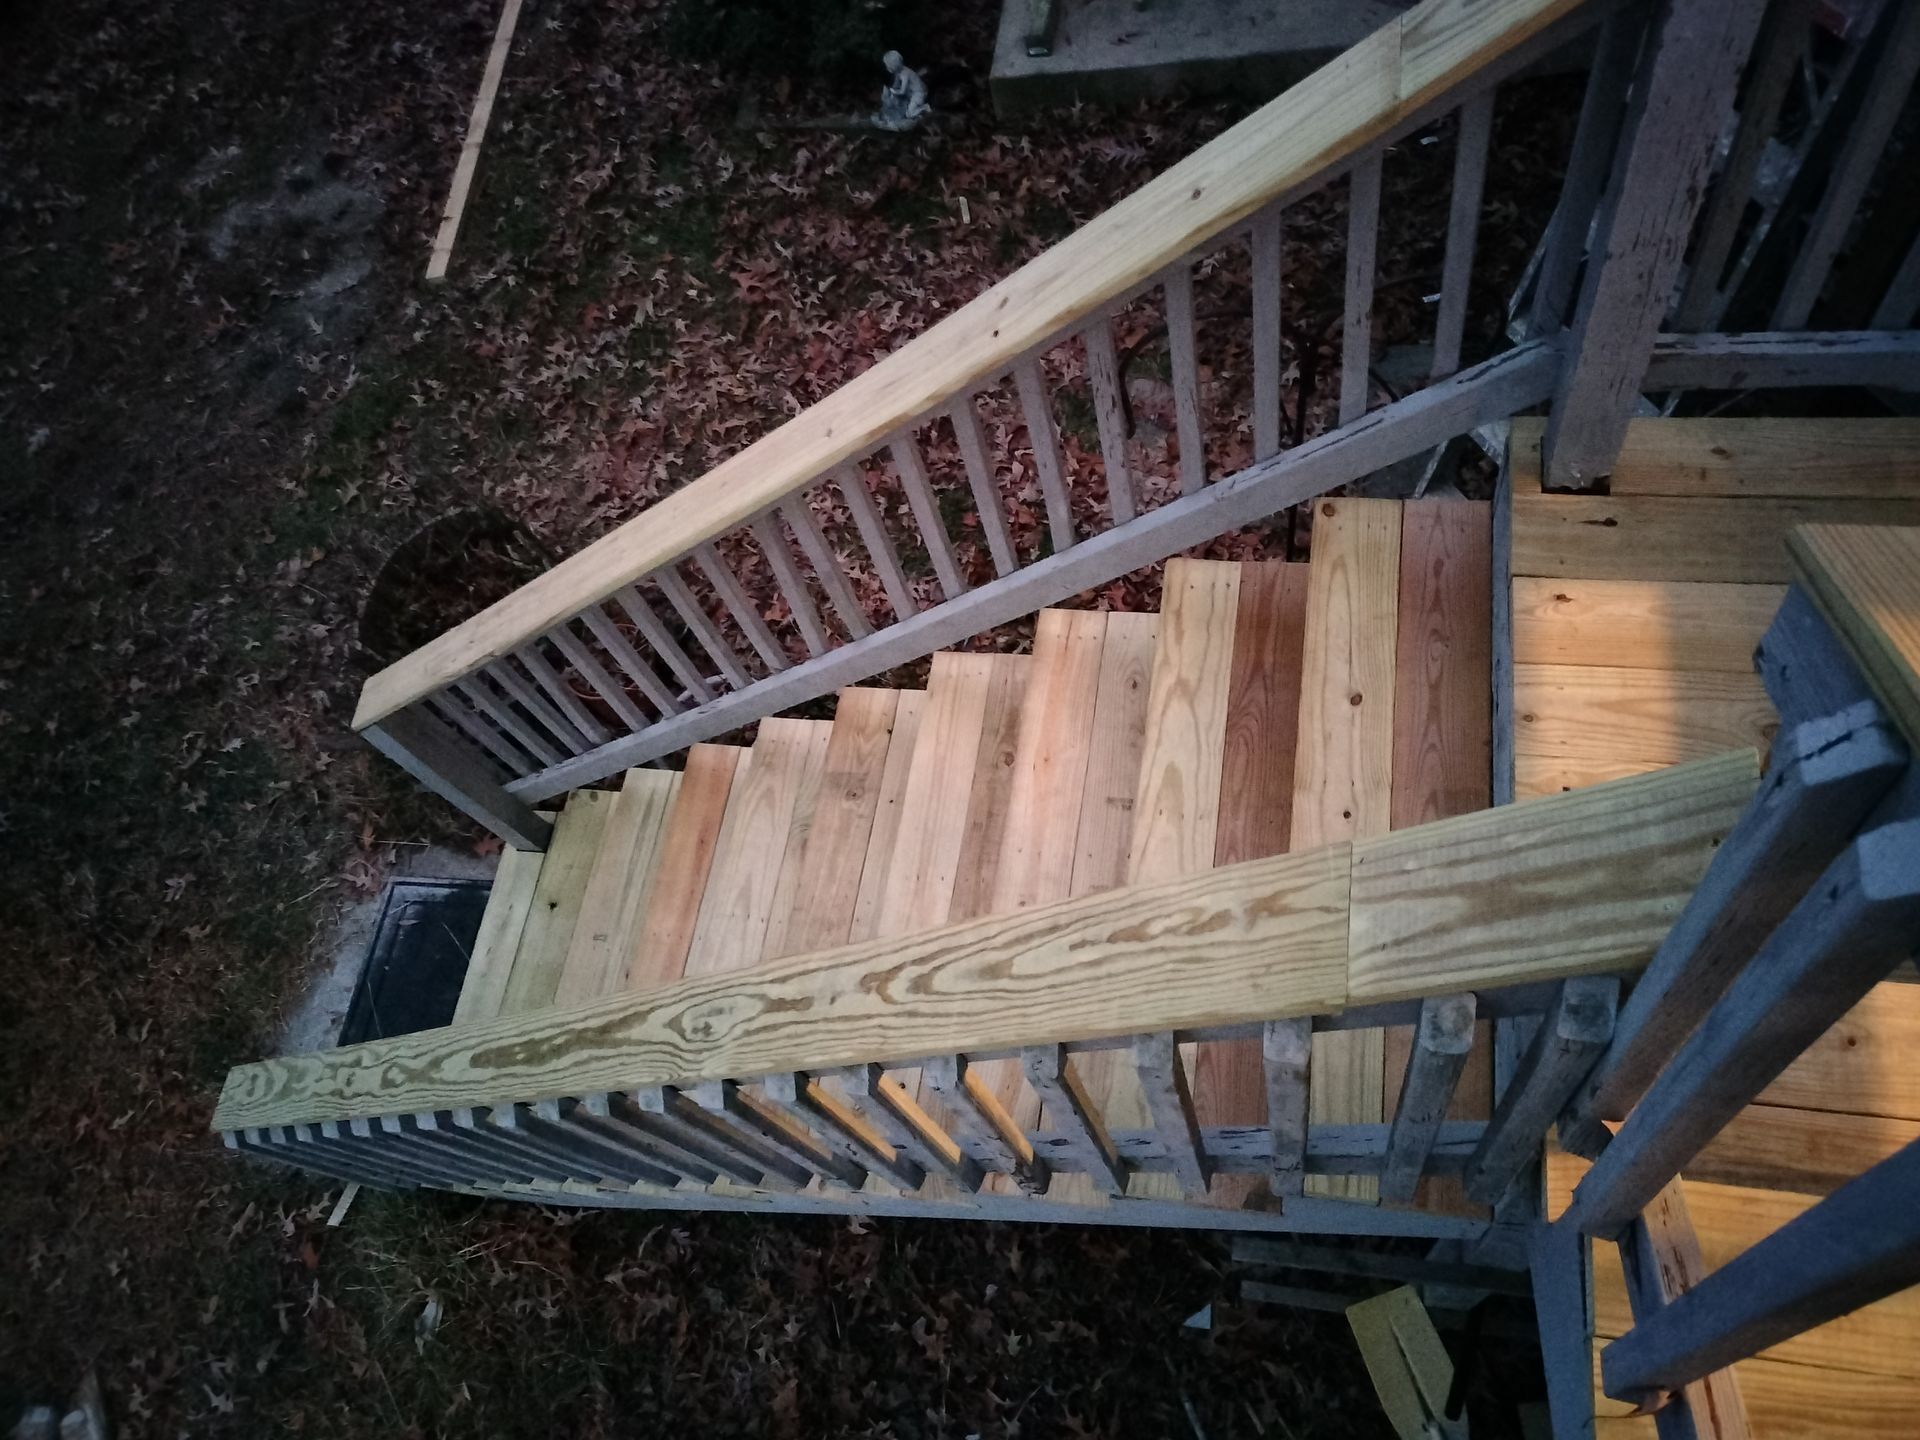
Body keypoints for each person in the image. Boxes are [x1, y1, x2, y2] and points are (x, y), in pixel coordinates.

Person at [874, 50, 930, 131]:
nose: (887, 68)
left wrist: (893, 92)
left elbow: (902, 91)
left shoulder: (905, 74)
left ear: (893, 65)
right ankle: (898, 115)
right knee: (895, 102)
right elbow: (896, 85)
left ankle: (924, 108)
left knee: (910, 114)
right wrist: (890, 93)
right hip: (910, 92)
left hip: (918, 93)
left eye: (888, 65)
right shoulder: (898, 73)